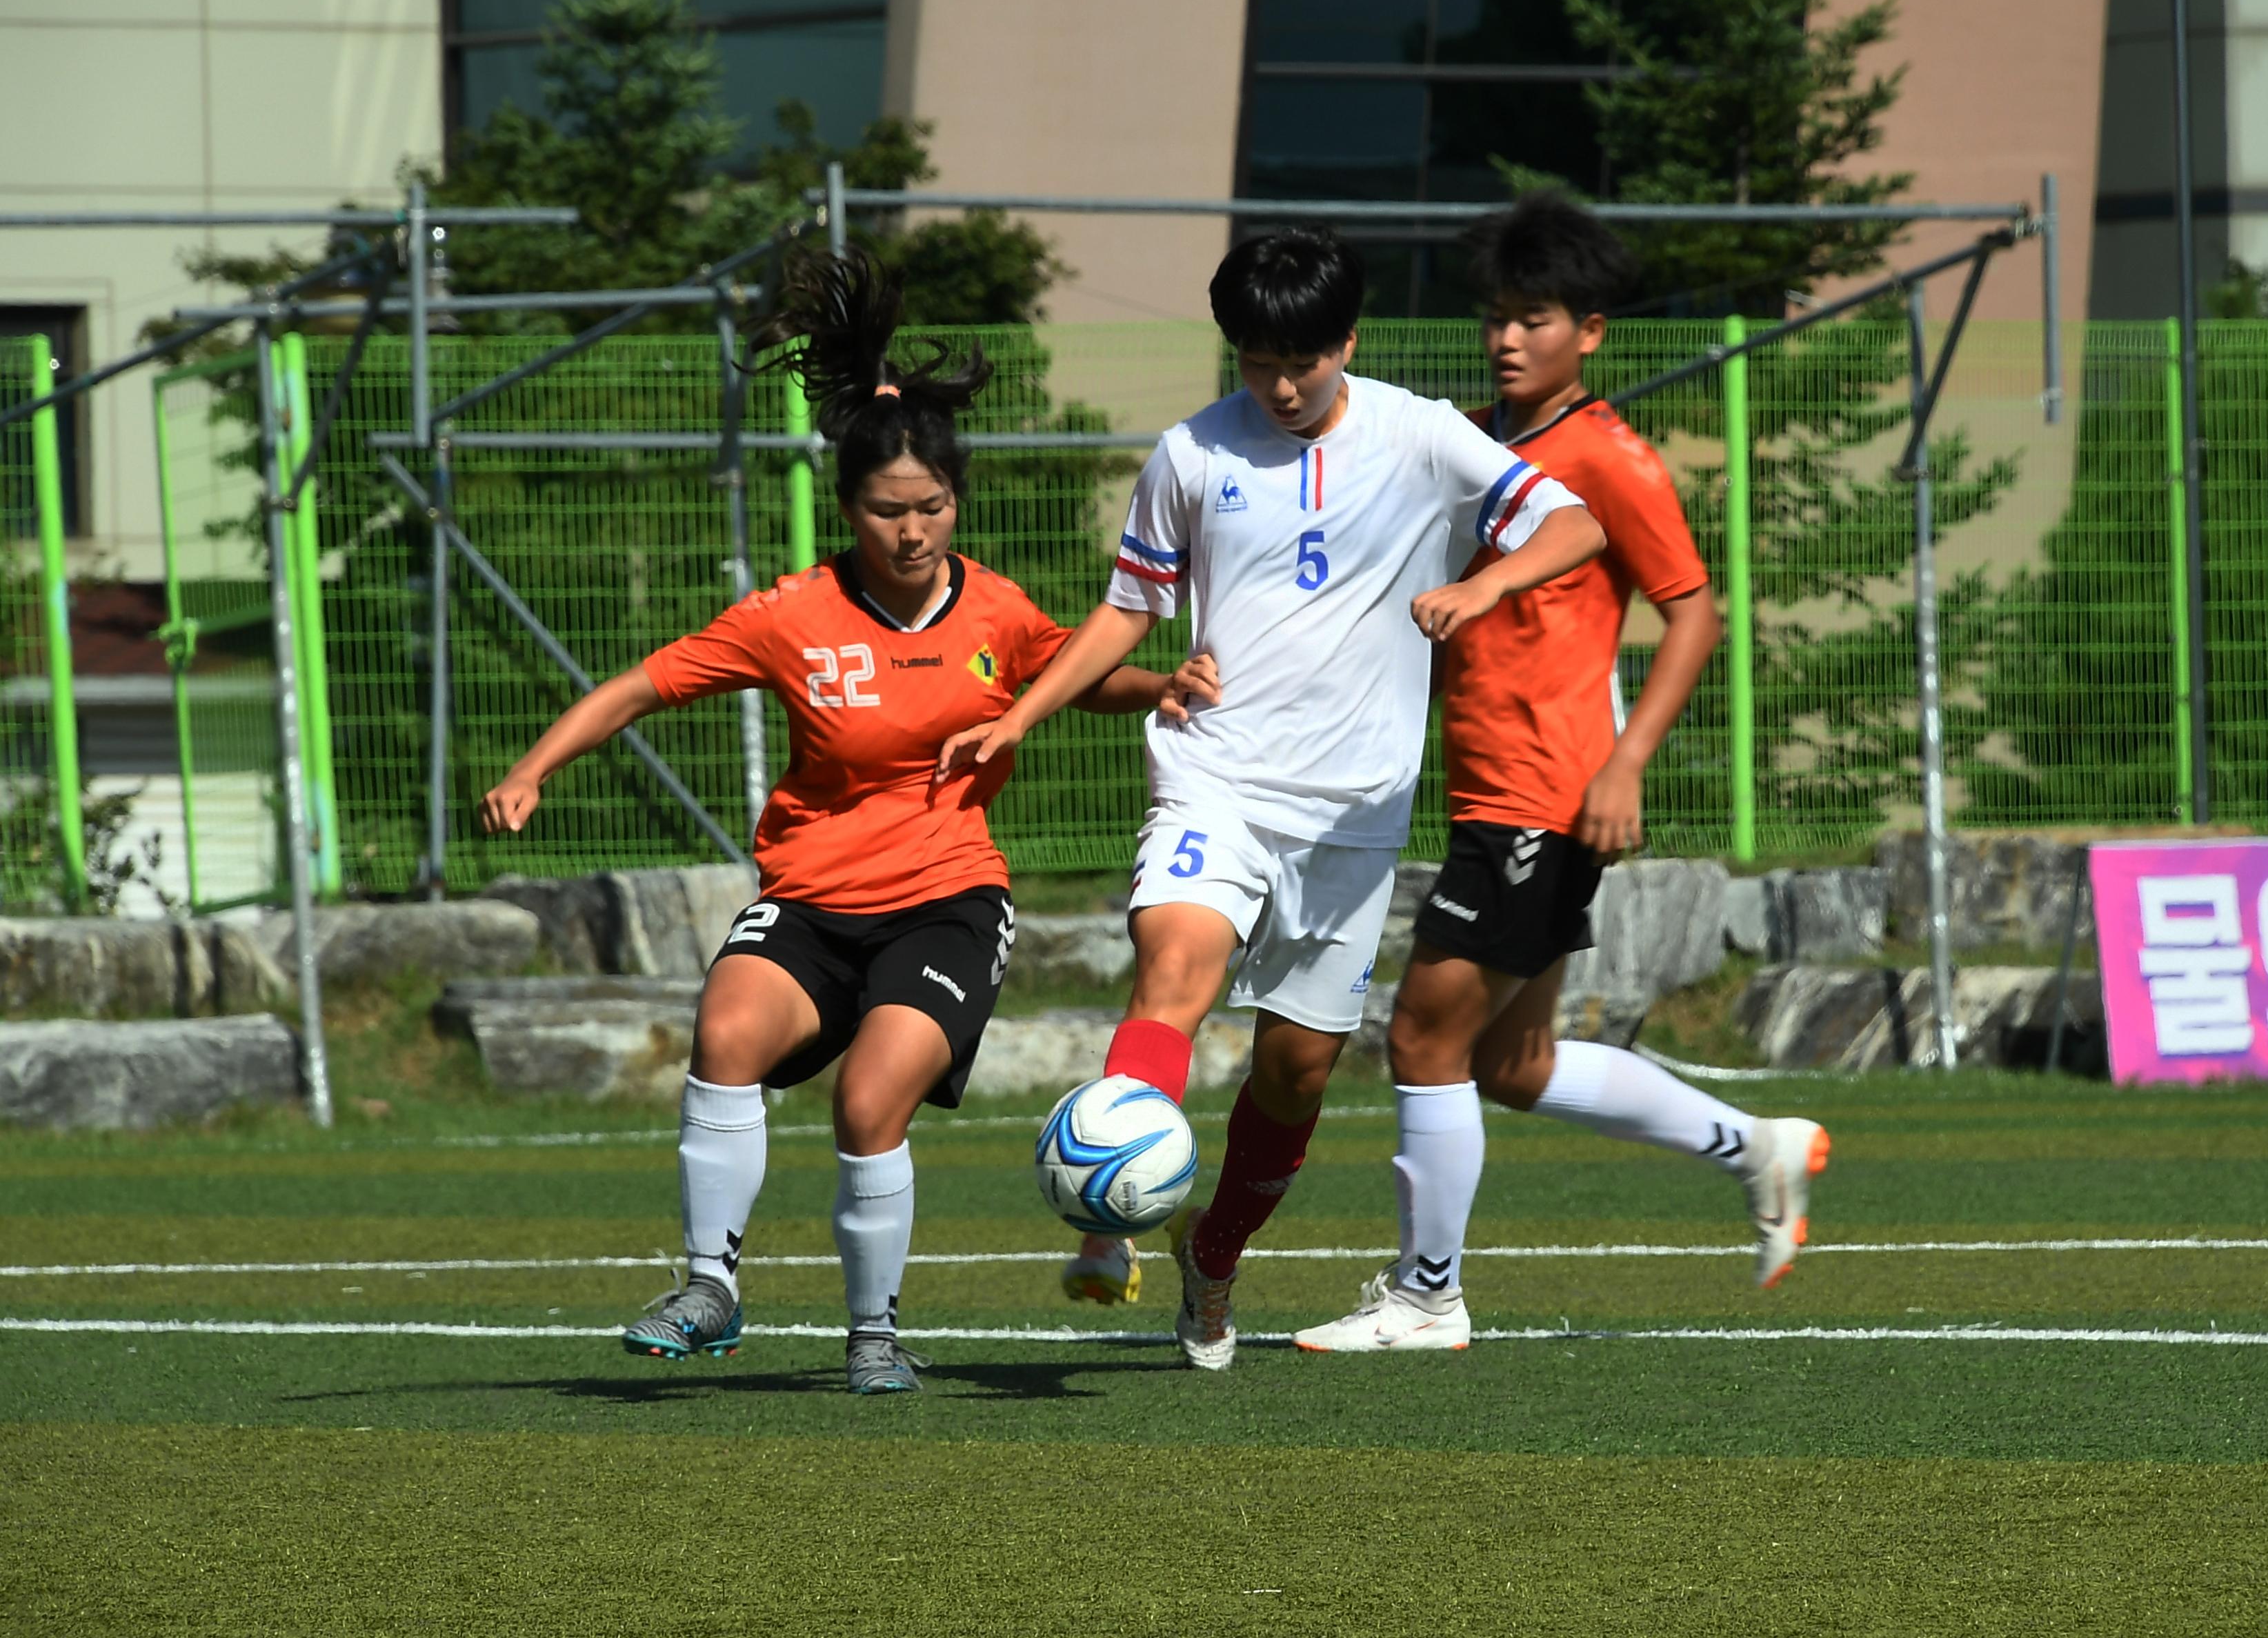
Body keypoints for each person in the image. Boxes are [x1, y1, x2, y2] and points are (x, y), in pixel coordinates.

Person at [477, 246, 1211, 1395]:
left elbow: (1077, 672)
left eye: (931, 508)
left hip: (948, 904)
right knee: (725, 1031)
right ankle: (711, 1288)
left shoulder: (1000, 609)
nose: (912, 531)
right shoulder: (793, 617)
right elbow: (637, 688)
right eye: (887, 510)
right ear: (849, 506)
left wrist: (1158, 683)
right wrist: (532, 770)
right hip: (814, 899)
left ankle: (874, 1336)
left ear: (955, 503)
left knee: (871, 1101)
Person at [937, 223, 1607, 1370]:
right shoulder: (1192, 455)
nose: (1283, 386)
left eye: (1303, 360)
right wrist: (1019, 715)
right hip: (1217, 772)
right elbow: (1125, 612)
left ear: (1349, 340)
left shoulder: (1422, 435)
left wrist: (1485, 585)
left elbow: (1576, 525)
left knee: (1295, 1073)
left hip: (1352, 819)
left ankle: (1213, 1254)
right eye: (1256, 362)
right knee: (1177, 965)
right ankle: (1112, 1212)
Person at [1291, 192, 1829, 1355]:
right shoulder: (1482, 447)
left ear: (1590, 330)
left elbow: (1693, 613)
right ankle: (1761, 1148)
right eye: (1496, 317)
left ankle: (1428, 1296)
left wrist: (1626, 764)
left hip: (1547, 793)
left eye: (1533, 318)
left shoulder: (1610, 456)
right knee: (1513, 1064)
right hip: (1490, 790)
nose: (1506, 339)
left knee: (1425, 1039)